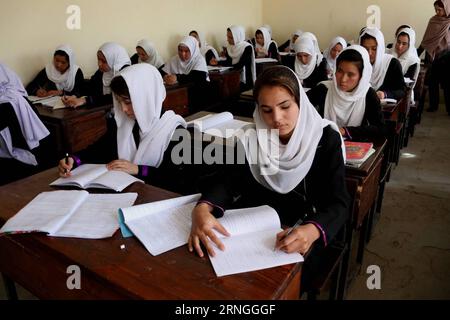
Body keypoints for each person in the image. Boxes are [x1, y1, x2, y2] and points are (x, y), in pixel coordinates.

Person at [188, 66, 350, 293]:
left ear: (300, 102)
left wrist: (312, 231)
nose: (276, 119)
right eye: (266, 110)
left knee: (275, 288)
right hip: (253, 232)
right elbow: (227, 180)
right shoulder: (254, 137)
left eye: (285, 106)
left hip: (301, 233)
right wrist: (202, 209)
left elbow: (339, 203)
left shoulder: (325, 139)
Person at [58, 64, 190, 193]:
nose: (123, 109)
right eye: (119, 101)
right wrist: (74, 160)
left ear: (147, 98)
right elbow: (99, 149)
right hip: (126, 192)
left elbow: (177, 178)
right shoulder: (127, 124)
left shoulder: (175, 130)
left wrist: (138, 169)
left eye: (128, 102)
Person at [307, 45, 387, 141]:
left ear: (362, 76)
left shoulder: (368, 94)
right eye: (339, 71)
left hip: (356, 144)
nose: (343, 79)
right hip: (325, 143)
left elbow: (380, 130)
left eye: (350, 74)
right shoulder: (324, 89)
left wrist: (345, 131)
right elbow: (301, 108)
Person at [0, 63, 50, 185]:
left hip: (16, 170)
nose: (58, 65)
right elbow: (31, 86)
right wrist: (38, 90)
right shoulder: (17, 99)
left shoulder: (7, 103)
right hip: (25, 166)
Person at [62, 42, 131, 108]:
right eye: (98, 59)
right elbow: (90, 87)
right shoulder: (102, 72)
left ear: (114, 60)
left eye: (104, 61)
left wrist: (85, 100)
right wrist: (75, 96)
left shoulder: (125, 74)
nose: (99, 64)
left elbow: (114, 99)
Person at [417, 0, 450, 113]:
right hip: (431, 56)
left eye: (439, 9)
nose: (437, 12)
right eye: (435, 9)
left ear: (447, 8)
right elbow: (426, 39)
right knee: (432, 83)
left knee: (447, 85)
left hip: (446, 57)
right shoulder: (433, 20)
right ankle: (433, 106)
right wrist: (417, 53)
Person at [359, 27, 406, 101]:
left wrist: (385, 94)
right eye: (365, 49)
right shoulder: (357, 63)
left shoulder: (392, 63)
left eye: (374, 49)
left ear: (380, 48)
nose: (369, 53)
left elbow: (402, 91)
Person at [210, 25, 256, 91]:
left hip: (245, 79)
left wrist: (223, 65)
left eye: (231, 37)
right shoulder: (229, 47)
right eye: (227, 37)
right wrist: (217, 62)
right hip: (233, 75)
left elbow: (240, 65)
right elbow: (229, 62)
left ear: (238, 37)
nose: (228, 39)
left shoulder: (247, 47)